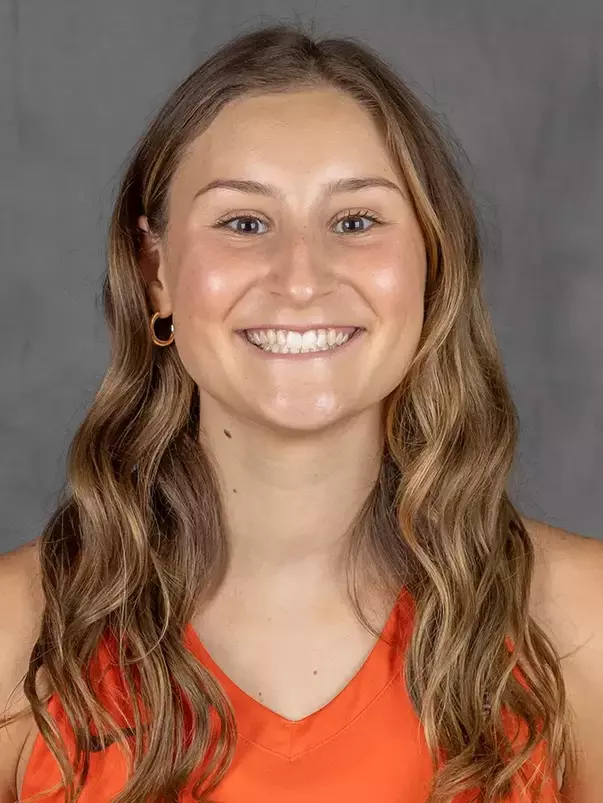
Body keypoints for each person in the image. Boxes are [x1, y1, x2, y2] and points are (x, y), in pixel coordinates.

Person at [1, 22, 601, 803]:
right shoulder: (18, 632)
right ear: (156, 276)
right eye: (243, 223)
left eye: (355, 221)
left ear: (430, 262)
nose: (300, 275)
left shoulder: (583, 620)